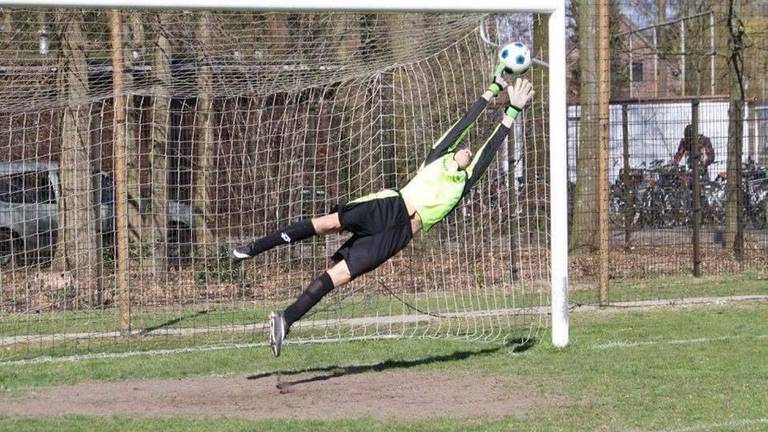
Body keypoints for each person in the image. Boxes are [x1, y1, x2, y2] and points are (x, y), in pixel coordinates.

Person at [230, 71, 535, 357]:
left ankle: (286, 318)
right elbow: (465, 122)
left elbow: (491, 148)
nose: (469, 151)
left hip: (397, 235)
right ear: (455, 150)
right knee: (325, 224)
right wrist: (494, 88)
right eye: (464, 149)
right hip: (387, 206)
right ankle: (253, 248)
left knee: (340, 276)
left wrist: (513, 111)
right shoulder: (436, 157)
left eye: (470, 154)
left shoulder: (463, 185)